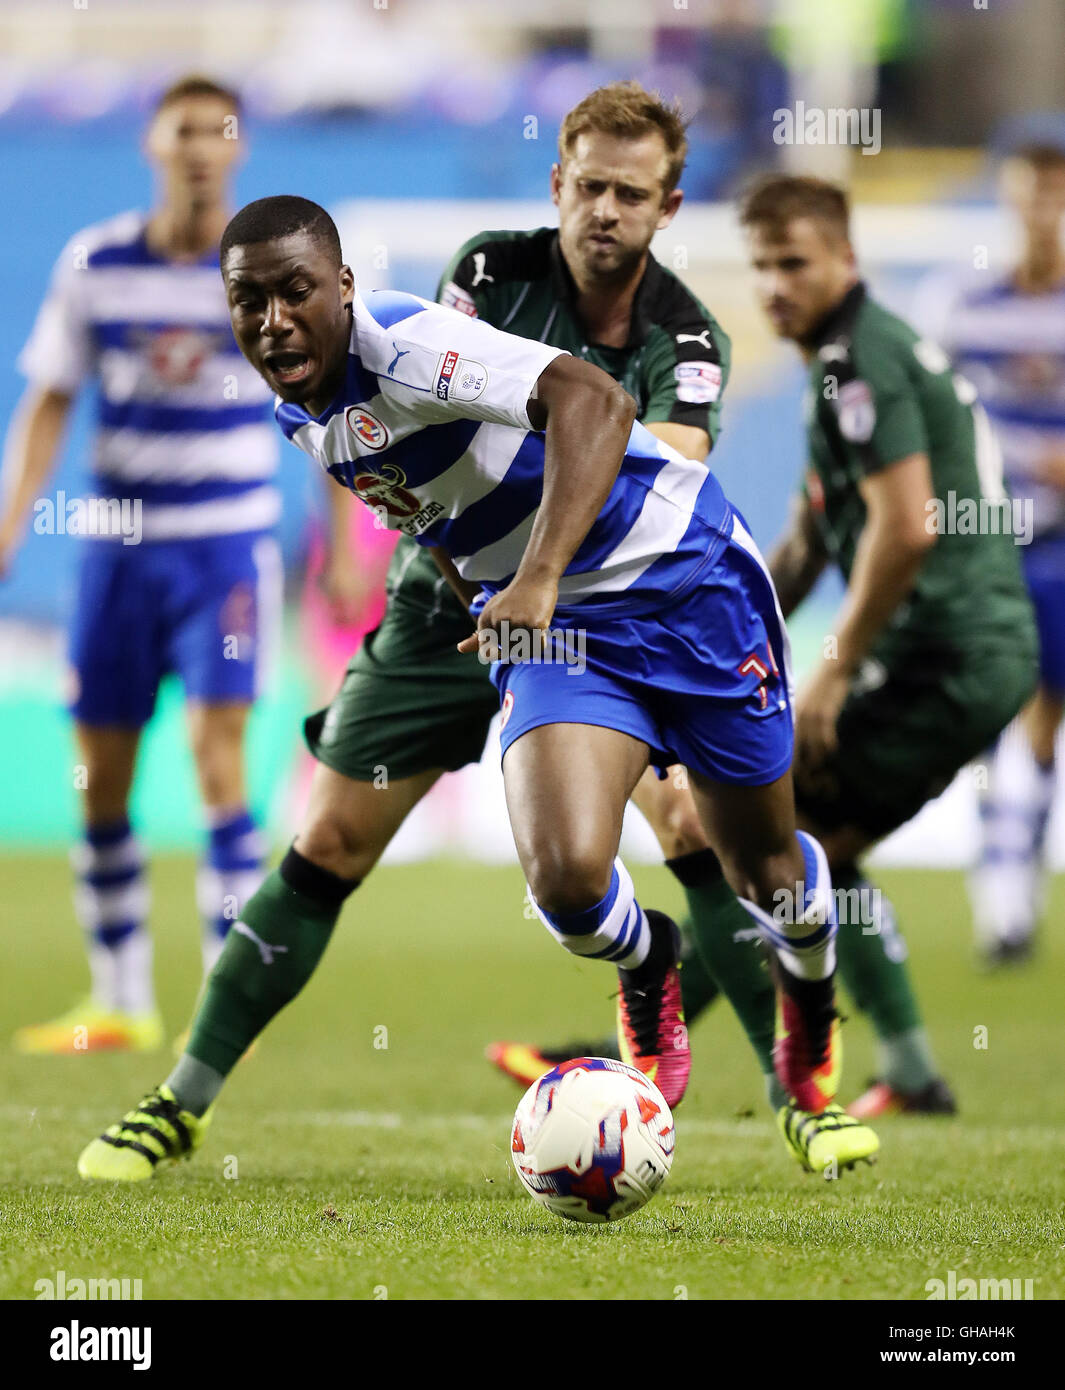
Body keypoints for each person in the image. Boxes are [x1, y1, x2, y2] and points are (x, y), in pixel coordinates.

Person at [76, 190, 880, 1182]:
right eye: (250, 301)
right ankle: (646, 957)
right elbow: (428, 509)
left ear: (345, 289)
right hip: (568, 632)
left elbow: (596, 400)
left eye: (296, 293)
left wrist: (533, 576)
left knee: (764, 871)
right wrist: (487, 597)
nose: (274, 320)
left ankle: (805, 1031)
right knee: (567, 882)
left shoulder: (411, 346)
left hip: (689, 583)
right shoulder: (301, 411)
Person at [0, 75, 361, 1055]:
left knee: (217, 767)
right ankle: (119, 995)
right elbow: (48, 400)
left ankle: (222, 994)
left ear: (236, 149)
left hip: (224, 550)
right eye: (182, 131)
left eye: (216, 131)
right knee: (101, 779)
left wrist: (341, 539)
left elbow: (327, 401)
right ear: (153, 144)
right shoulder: (94, 264)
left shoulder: (262, 275)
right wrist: (10, 519)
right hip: (117, 549)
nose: (199, 148)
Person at [748, 174, 1037, 1118]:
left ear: (846, 260)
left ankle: (646, 1041)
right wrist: (717, 647)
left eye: (794, 262)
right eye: (760, 267)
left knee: (778, 842)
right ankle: (908, 1071)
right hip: (946, 653)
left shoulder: (861, 357)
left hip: (950, 656)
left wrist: (826, 675)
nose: (774, 285)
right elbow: (801, 541)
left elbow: (906, 528)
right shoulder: (836, 360)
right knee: (796, 846)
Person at [915, 142, 1065, 966]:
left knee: (1045, 706)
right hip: (981, 539)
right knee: (980, 708)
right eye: (1028, 193)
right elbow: (932, 414)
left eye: (1053, 194)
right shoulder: (960, 303)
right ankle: (996, 883)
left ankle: (1017, 884)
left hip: (1060, 540)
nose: (1040, 209)